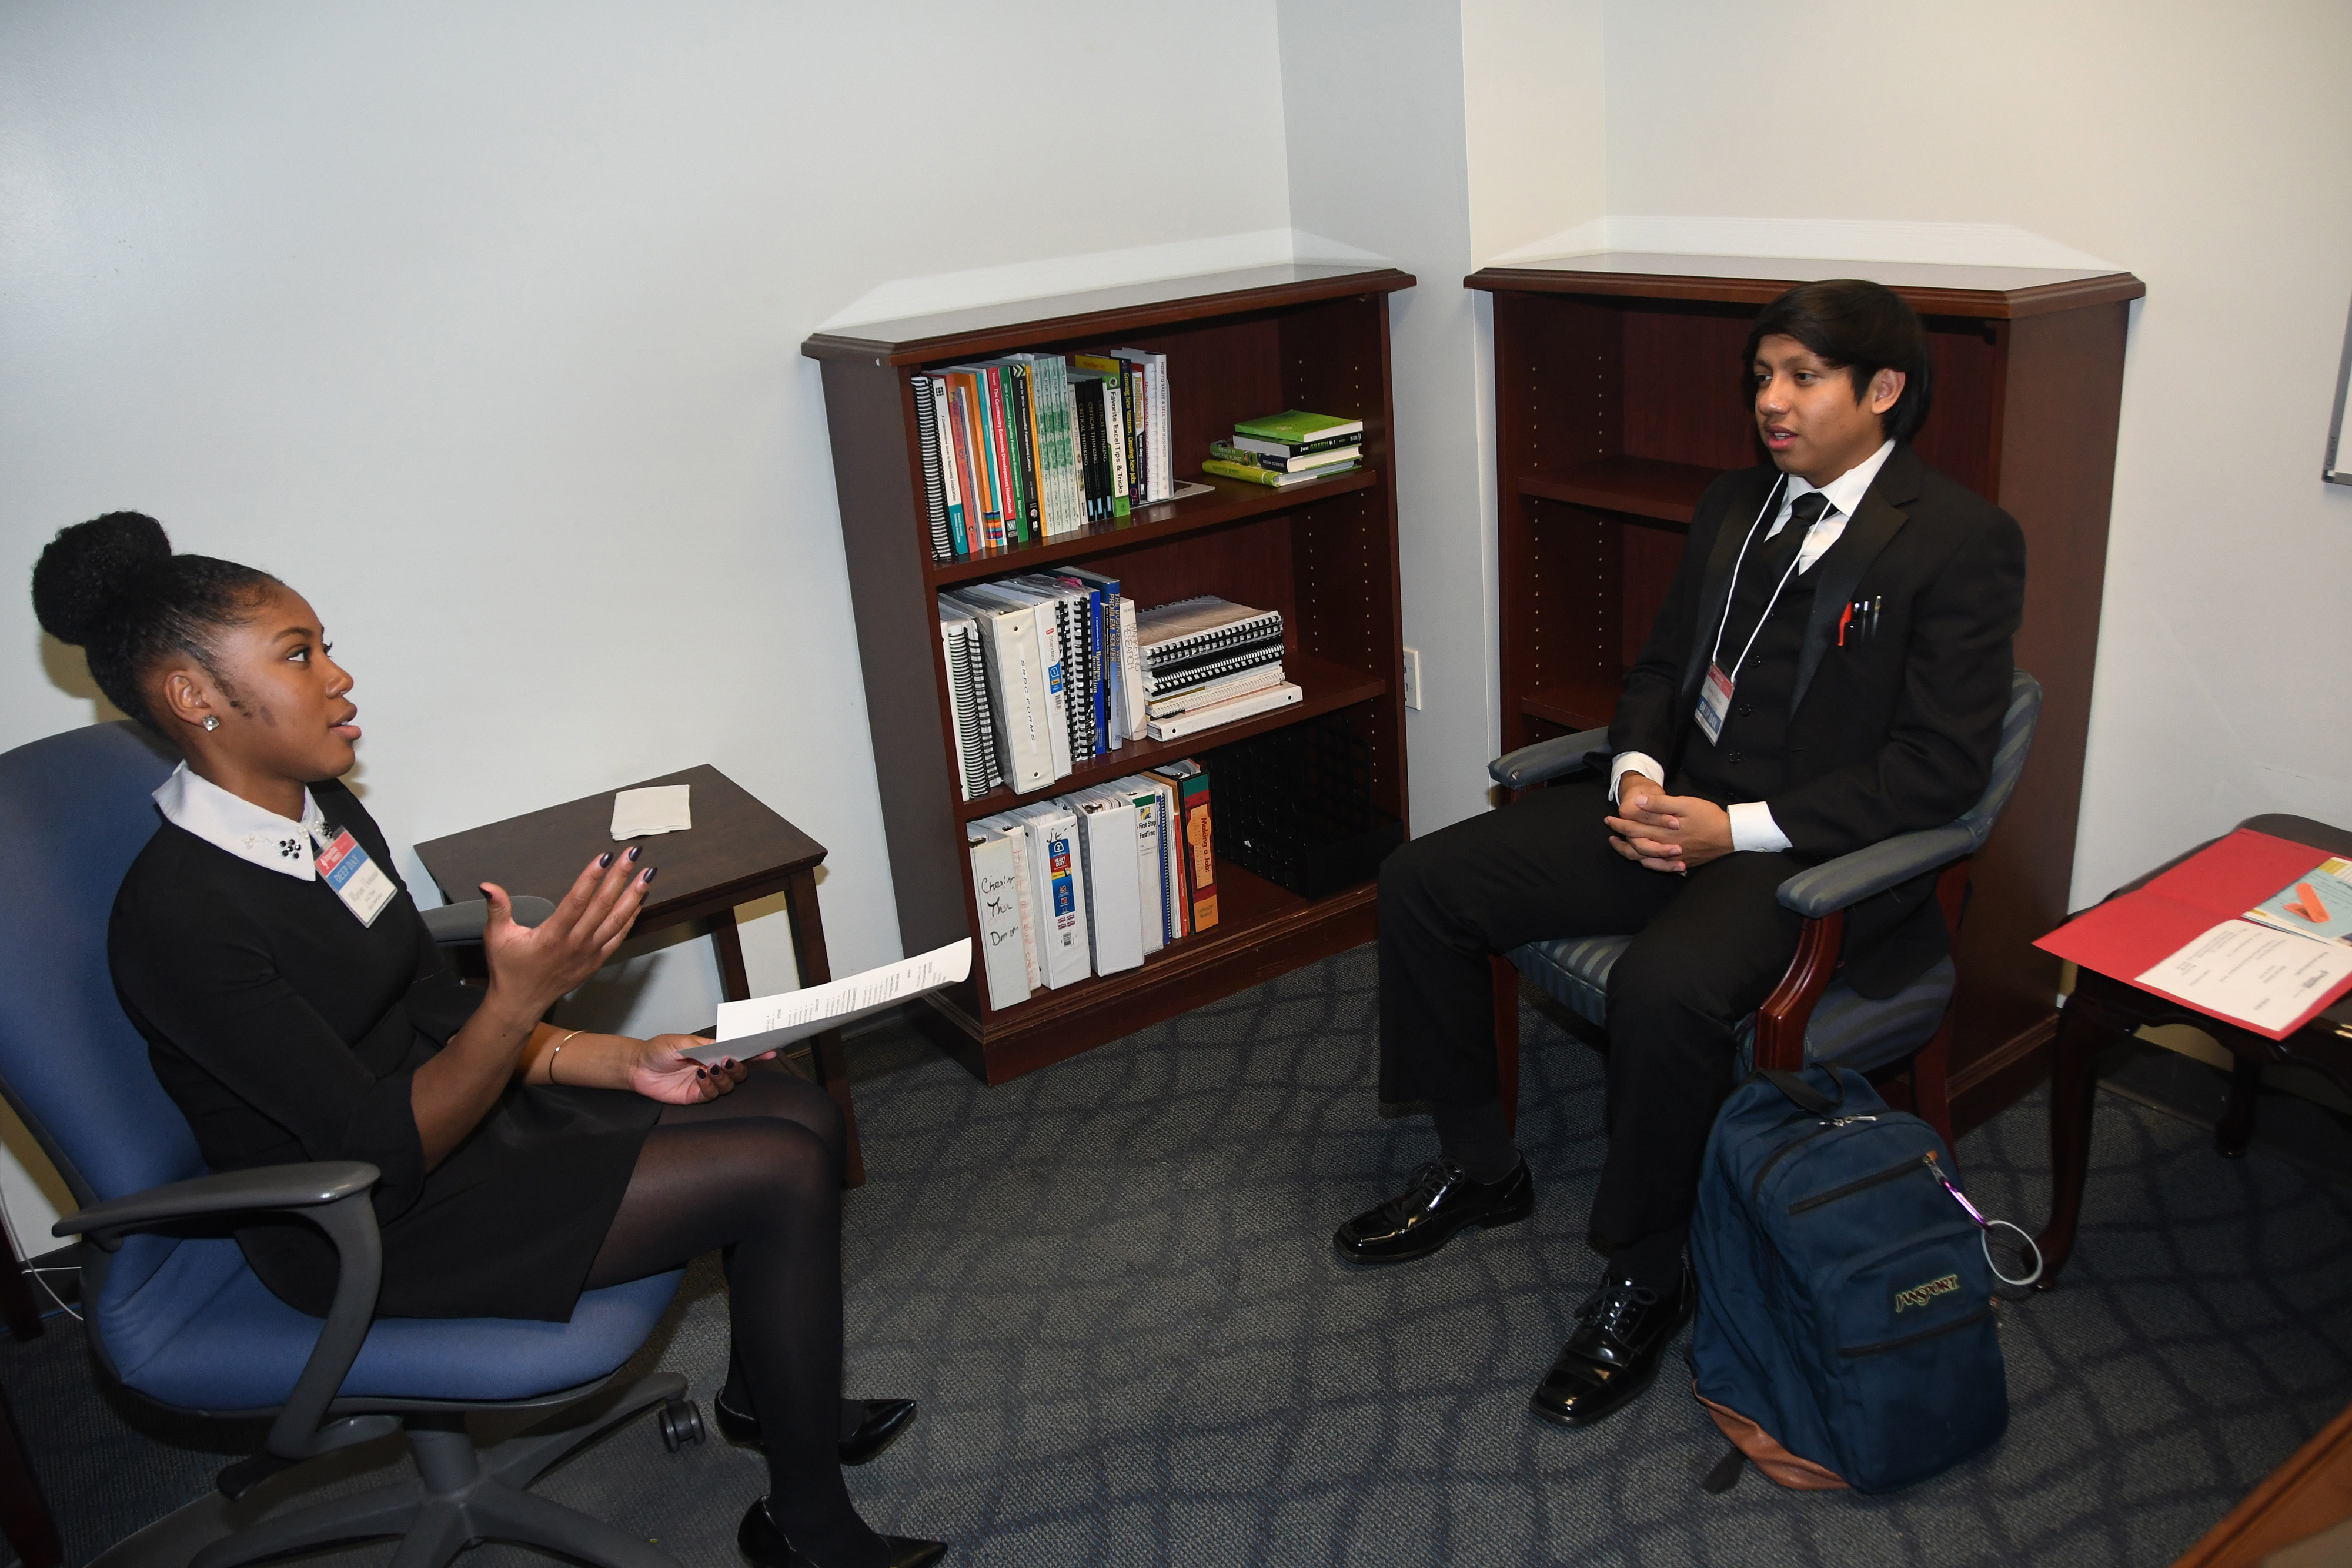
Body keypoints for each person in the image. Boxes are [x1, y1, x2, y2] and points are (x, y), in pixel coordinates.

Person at [32, 513, 945, 1568]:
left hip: (453, 1114)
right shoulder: (183, 921)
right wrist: (521, 1006)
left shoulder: (319, 814)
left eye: (325, 644)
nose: (340, 679)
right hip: (360, 1218)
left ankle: (769, 1394)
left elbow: (426, 1001)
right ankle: (808, 1527)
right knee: (777, 1167)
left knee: (791, 1101)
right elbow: (377, 1152)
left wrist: (617, 1056)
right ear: (195, 700)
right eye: (299, 655)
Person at [1332, 279, 2025, 1430]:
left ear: (1882, 389)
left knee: (1664, 989)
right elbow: (1657, 671)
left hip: (1796, 855)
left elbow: (1935, 773)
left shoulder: (1958, 540)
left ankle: (1649, 1273)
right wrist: (1637, 775)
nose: (1770, 401)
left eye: (1800, 377)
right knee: (1423, 880)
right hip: (1673, 808)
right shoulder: (1731, 505)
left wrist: (1734, 827)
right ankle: (1479, 1161)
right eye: (1760, 376)